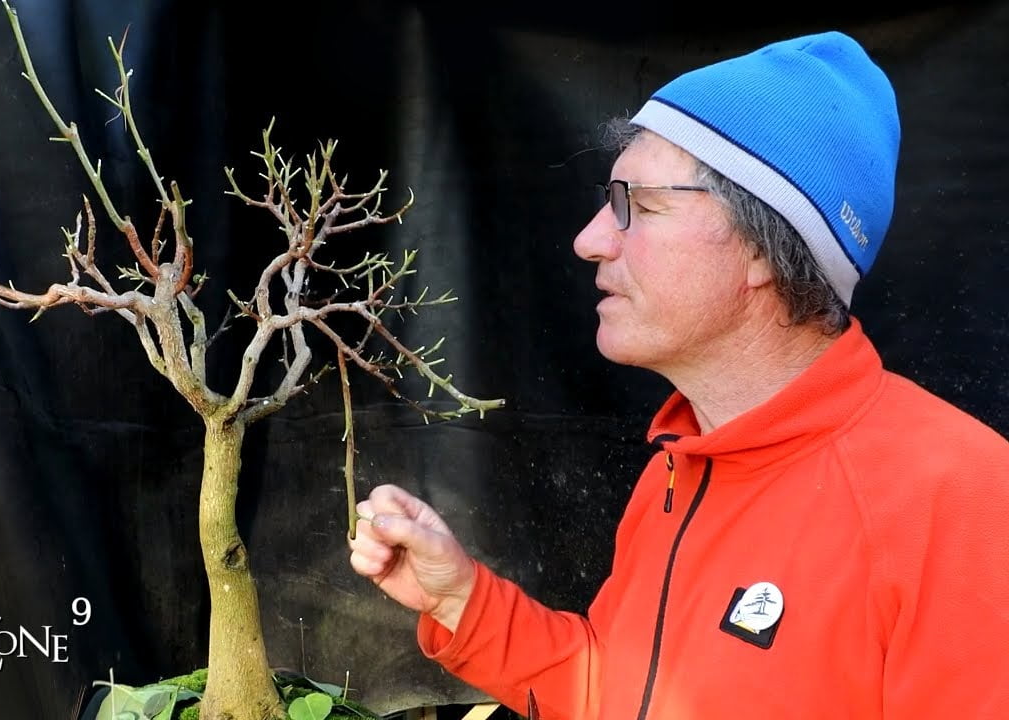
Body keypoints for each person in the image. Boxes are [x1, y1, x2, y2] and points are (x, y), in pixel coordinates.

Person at [347, 30, 1009, 720]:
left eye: (638, 205)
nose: (589, 238)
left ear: (765, 251)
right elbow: (621, 693)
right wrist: (458, 599)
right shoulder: (683, 464)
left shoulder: (960, 502)